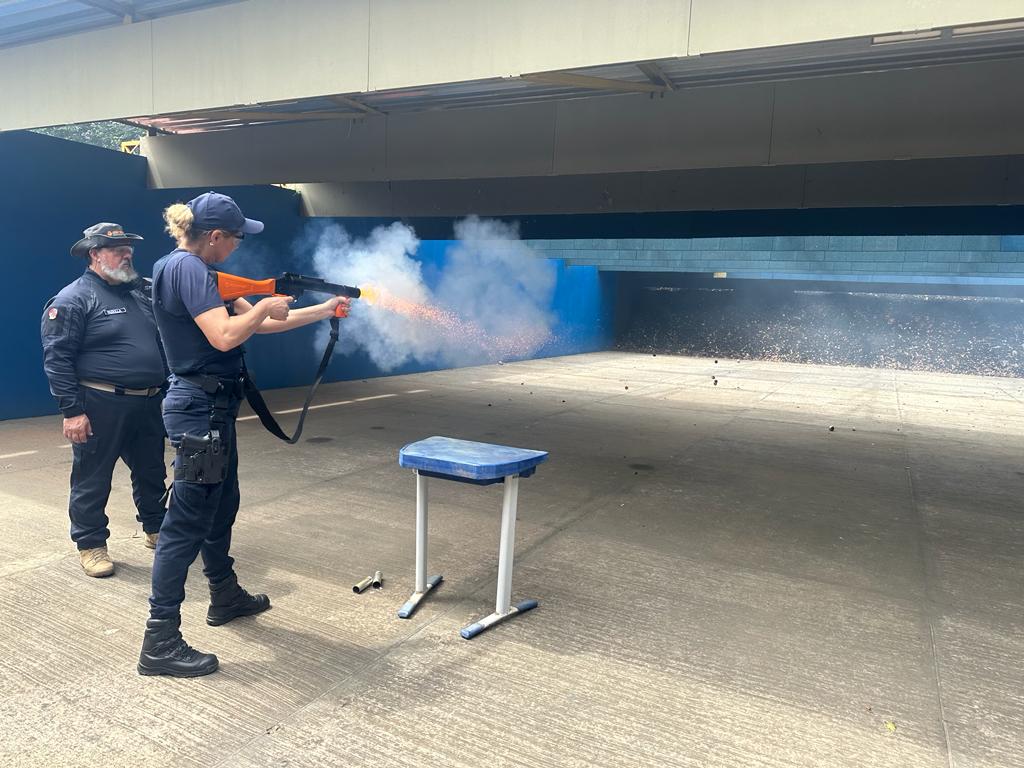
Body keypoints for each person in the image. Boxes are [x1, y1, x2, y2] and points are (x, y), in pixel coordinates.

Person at [139, 191, 347, 677]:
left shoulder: (204, 273)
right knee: (187, 521)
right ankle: (159, 639)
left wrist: (323, 310)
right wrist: (262, 306)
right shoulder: (187, 269)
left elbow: (264, 323)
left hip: (212, 410)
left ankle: (224, 594)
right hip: (199, 412)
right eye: (234, 238)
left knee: (220, 504)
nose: (237, 245)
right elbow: (226, 335)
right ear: (214, 236)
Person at [41, 223, 168, 578]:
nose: (127, 254)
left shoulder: (138, 294)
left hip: (146, 402)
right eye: (117, 249)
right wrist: (72, 411)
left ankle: (156, 529)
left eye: (129, 248)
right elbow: (57, 358)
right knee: (93, 478)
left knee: (151, 471)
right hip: (99, 403)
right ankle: (91, 544)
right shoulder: (73, 299)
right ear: (94, 255)